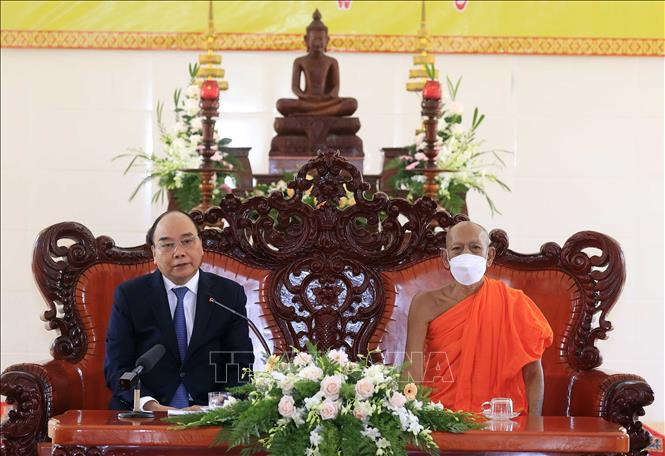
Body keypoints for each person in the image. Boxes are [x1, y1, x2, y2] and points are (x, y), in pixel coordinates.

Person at [104, 210, 254, 411]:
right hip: (145, 415)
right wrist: (148, 405)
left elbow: (241, 365)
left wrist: (212, 408)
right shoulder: (130, 296)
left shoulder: (228, 295)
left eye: (187, 241)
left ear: (201, 245)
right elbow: (117, 367)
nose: (179, 252)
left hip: (209, 413)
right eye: (167, 245)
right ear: (154, 253)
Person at [403, 221, 553, 415]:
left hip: (500, 417)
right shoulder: (425, 303)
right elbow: (412, 367)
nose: (466, 255)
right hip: (441, 415)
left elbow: (532, 372)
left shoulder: (514, 303)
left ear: (489, 256)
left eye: (475, 247)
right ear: (446, 258)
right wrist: (410, 417)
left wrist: (534, 423)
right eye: (457, 249)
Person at [276, 9, 357, 117]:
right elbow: (295, 87)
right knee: (281, 104)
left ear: (327, 40)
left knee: (352, 103)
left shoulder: (332, 62)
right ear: (306, 40)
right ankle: (324, 112)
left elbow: (335, 86)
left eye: (321, 40)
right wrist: (305, 97)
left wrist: (329, 96)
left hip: (326, 101)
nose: (318, 43)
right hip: (307, 101)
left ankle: (309, 114)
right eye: (314, 40)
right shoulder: (299, 61)